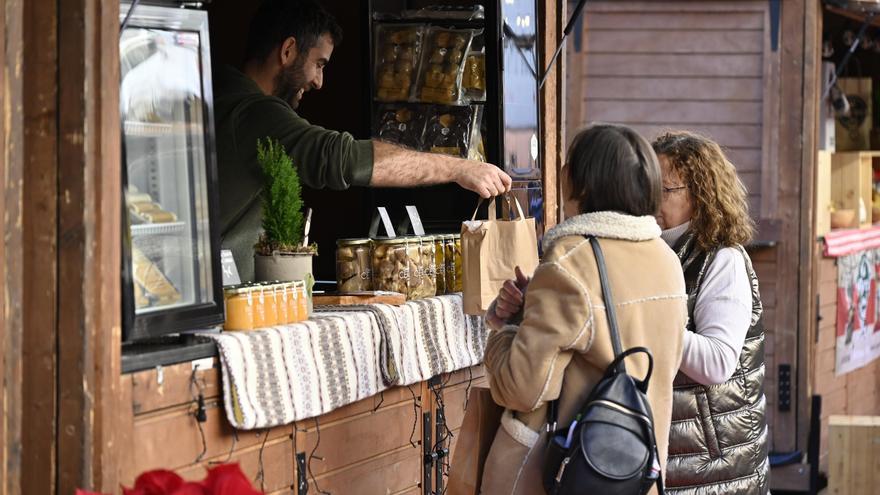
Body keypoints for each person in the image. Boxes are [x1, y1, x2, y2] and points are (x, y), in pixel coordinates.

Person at [214, 0, 512, 280]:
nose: (319, 82)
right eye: (319, 64)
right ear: (288, 51)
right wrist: (459, 169)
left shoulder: (222, 99)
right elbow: (340, 158)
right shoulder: (254, 113)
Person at [480, 124, 687, 495]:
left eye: (569, 164)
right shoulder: (666, 260)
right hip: (635, 473)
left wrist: (503, 335)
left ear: (585, 183)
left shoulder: (570, 259)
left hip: (565, 471)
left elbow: (523, 389)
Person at [652, 131, 769, 494]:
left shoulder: (723, 260)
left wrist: (647, 320)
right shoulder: (657, 252)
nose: (651, 198)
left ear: (700, 195)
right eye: (647, 185)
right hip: (683, 459)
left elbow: (717, 362)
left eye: (665, 190)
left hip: (717, 468)